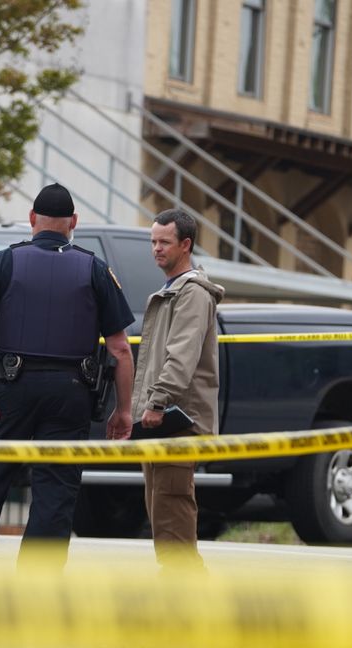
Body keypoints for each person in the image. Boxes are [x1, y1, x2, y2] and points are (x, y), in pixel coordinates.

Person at [0, 183, 135, 568]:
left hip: (10, 390)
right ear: (74, 223)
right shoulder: (95, 268)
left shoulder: (3, 262)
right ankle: (36, 593)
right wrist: (124, 410)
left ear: (32, 220)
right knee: (55, 493)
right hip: (71, 394)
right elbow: (120, 349)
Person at [132, 209, 225, 571]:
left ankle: (186, 591)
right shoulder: (172, 291)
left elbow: (180, 356)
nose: (156, 248)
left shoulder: (193, 294)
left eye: (164, 242)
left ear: (185, 244)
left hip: (177, 420)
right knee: (161, 507)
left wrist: (156, 402)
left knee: (172, 507)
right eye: (153, 241)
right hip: (161, 419)